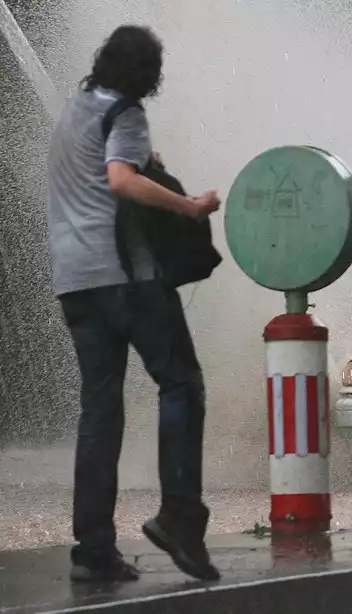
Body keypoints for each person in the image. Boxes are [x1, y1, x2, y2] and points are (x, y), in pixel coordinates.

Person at [45, 25, 222, 583]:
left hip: (76, 284)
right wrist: (190, 206)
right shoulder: (125, 113)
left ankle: (93, 551)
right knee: (182, 383)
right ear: (147, 75)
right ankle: (178, 514)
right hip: (126, 278)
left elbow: (103, 175)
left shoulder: (75, 112)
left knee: (100, 412)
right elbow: (120, 182)